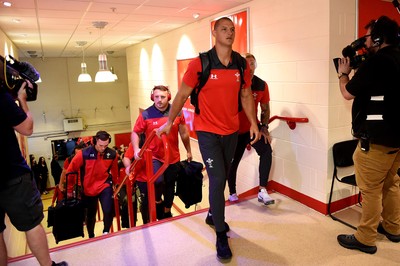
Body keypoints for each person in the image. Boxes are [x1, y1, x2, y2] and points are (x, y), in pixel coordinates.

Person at [157, 17, 259, 260]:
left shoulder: (241, 64)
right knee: (218, 177)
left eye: (232, 29)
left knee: (224, 174)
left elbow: (246, 95)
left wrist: (253, 122)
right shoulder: (200, 63)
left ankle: (214, 214)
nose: (229, 32)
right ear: (214, 33)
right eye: (224, 29)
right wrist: (170, 122)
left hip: (231, 130)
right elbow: (181, 95)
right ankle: (221, 233)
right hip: (207, 131)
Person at [336, 15, 400, 254]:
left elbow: (348, 93)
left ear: (377, 38)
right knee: (392, 184)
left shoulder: (378, 62)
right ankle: (393, 227)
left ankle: (365, 237)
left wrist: (344, 73)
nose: (365, 43)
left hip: (376, 139)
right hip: (396, 139)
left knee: (371, 189)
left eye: (368, 38)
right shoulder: (397, 57)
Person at [0, 58, 67, 266]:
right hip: (11, 174)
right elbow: (27, 128)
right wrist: (22, 100)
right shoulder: (1, 98)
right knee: (32, 223)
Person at [131, 85, 192, 221]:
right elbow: (135, 132)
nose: (159, 100)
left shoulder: (177, 112)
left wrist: (188, 151)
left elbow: (184, 133)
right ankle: (158, 203)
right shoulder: (146, 114)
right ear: (153, 97)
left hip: (172, 156)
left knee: (170, 186)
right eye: (156, 97)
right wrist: (136, 149)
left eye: (162, 97)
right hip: (154, 156)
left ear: (168, 97)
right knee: (158, 181)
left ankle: (166, 212)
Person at [227, 53, 274, 205]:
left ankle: (262, 190)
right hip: (233, 131)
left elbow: (265, 109)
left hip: (251, 129)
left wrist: (264, 128)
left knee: (266, 150)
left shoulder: (261, 85)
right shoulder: (233, 83)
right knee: (232, 163)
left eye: (252, 63)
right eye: (246, 64)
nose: (250, 67)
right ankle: (232, 193)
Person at [66, 131, 118, 238]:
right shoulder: (83, 154)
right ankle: (91, 235)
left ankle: (106, 232)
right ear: (94, 142)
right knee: (90, 215)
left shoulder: (112, 154)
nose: (103, 148)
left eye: (106, 145)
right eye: (100, 145)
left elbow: (115, 171)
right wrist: (70, 189)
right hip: (88, 189)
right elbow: (70, 171)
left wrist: (116, 184)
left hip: (104, 184)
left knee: (108, 210)